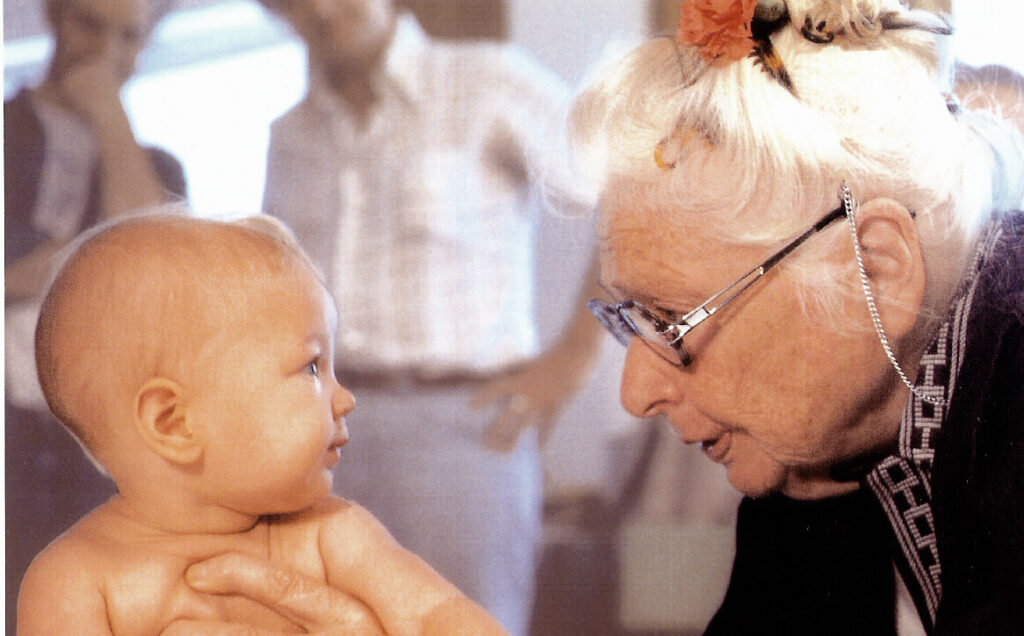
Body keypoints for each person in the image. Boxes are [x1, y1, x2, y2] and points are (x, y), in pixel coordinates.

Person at [567, 0, 1024, 634]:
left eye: (671, 321)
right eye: (631, 320)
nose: (636, 393)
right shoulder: (810, 455)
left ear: (877, 272)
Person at [252, 1, 602, 633]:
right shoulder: (290, 131)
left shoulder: (488, 78)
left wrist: (574, 357)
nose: (323, 10)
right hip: (322, 428)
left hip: (463, 428)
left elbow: (629, 188)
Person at [17, 211, 509, 636]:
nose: (345, 397)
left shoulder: (332, 533)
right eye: (311, 367)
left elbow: (438, 617)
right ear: (174, 422)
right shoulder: (74, 582)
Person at [4, 0, 186, 626]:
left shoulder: (156, 168)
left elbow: (155, 283)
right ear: (53, 15)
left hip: (101, 443)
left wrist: (109, 116)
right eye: (89, 23)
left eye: (128, 37)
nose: (105, 52)